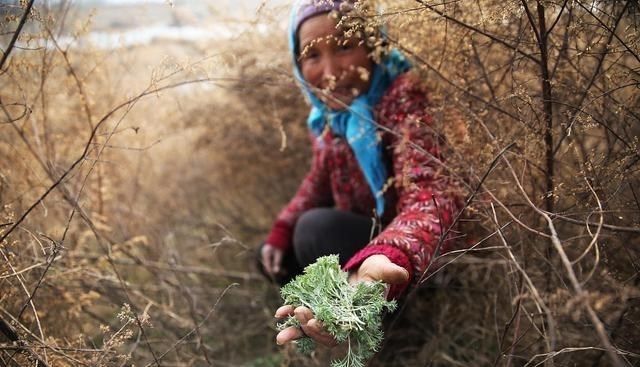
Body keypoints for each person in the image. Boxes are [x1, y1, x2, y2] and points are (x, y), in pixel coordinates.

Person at [258, 0, 462, 347]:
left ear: (373, 45)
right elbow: (318, 181)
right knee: (271, 255)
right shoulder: (329, 119)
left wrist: (386, 256)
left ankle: (401, 326)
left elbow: (431, 195)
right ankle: (333, 318)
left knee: (314, 230)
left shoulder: (404, 99)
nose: (330, 71)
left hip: (415, 253)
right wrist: (280, 230)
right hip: (371, 237)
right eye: (312, 56)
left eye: (344, 46)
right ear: (297, 63)